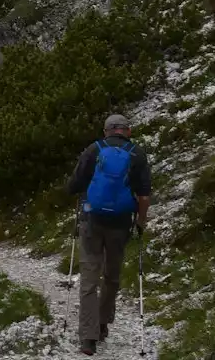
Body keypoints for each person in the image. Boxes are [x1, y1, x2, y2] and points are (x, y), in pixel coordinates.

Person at [67, 114, 152, 356]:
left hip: (92, 221)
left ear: (106, 131)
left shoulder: (94, 150)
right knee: (111, 276)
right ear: (128, 131)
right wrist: (141, 222)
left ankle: (88, 338)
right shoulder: (137, 154)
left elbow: (74, 184)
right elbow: (144, 196)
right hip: (121, 224)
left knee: (89, 278)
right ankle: (103, 323)